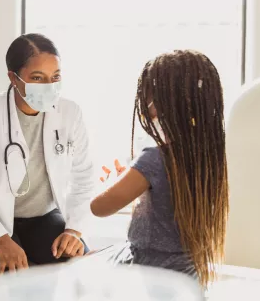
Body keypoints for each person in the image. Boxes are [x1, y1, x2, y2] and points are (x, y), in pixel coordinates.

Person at [0, 34, 96, 299]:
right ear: (13, 78)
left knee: (78, 268)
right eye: (37, 78)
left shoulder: (70, 113)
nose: (48, 86)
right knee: (5, 278)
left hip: (43, 218)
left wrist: (74, 229)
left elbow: (84, 178)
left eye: (55, 77)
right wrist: (2, 240)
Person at [90, 50, 229, 288]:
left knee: (78, 271)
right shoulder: (207, 158)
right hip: (188, 272)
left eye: (147, 97)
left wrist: (118, 181)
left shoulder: (155, 159)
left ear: (163, 103)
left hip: (148, 270)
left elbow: (99, 207)